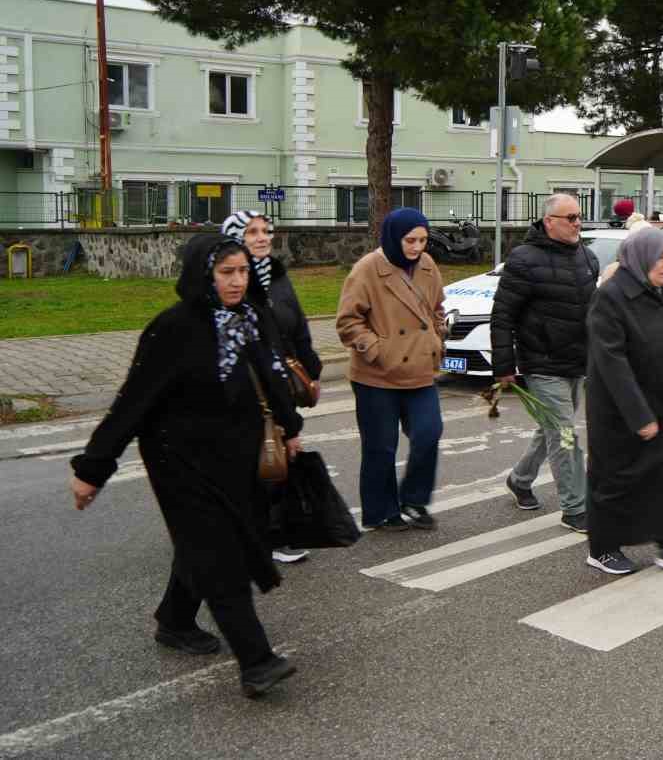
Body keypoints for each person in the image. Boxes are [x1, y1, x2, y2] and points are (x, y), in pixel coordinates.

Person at [70, 233, 303, 698]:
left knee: (207, 543)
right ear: (204, 275)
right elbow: (131, 404)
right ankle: (256, 661)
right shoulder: (172, 329)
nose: (237, 282)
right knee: (220, 557)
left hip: (233, 457)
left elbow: (273, 373)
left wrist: (290, 425)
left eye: (241, 272)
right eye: (226, 273)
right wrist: (92, 469)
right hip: (178, 461)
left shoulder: (246, 318)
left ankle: (174, 619)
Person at [583, 226, 663, 575]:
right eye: (661, 257)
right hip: (620, 410)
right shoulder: (610, 297)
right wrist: (639, 415)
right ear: (641, 258)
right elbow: (612, 363)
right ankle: (603, 547)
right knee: (616, 481)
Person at [335, 208, 447, 532]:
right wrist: (377, 350)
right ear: (393, 237)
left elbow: (437, 306)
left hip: (420, 371)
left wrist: (437, 337)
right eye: (410, 240)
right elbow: (347, 321)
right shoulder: (367, 269)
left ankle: (413, 499)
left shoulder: (427, 265)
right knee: (381, 447)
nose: (417, 247)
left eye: (423, 240)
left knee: (428, 432)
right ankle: (381, 511)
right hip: (377, 376)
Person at [221, 209, 322, 566]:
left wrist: (311, 367)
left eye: (266, 231)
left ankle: (272, 532)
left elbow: (297, 324)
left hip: (279, 381)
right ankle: (252, 535)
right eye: (252, 232)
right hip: (245, 388)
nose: (263, 237)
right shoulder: (230, 284)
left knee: (278, 458)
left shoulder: (276, 276)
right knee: (256, 460)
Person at [490, 194, 596, 531]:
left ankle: (520, 479)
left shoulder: (587, 256)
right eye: (571, 218)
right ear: (549, 222)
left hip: (576, 364)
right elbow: (502, 316)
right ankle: (575, 508)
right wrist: (504, 366)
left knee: (550, 429)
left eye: (579, 217)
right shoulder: (523, 260)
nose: (578, 223)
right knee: (565, 434)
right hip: (542, 365)